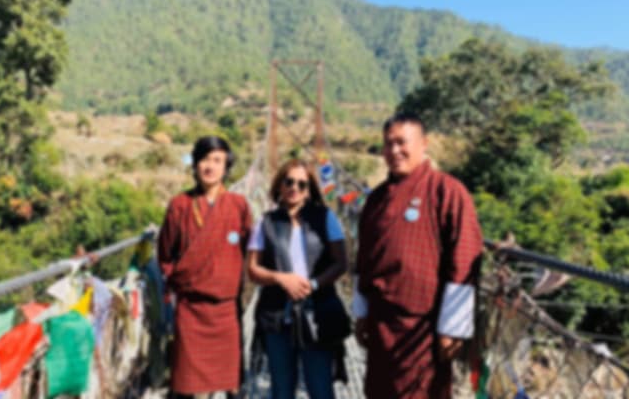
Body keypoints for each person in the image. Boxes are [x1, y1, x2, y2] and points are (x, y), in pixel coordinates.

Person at [353, 113, 484, 398]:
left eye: (402, 142)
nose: (394, 151)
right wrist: (361, 312)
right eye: (388, 144)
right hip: (381, 322)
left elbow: (464, 259)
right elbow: (363, 260)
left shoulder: (447, 191)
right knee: (378, 391)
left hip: (423, 328)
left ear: (424, 144)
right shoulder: (375, 199)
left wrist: (451, 328)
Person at [156, 136, 252, 398]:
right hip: (190, 310)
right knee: (189, 388)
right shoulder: (179, 205)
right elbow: (165, 253)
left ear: (226, 167)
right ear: (195, 164)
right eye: (204, 159)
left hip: (226, 310)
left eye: (217, 160)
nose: (210, 166)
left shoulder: (238, 205)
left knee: (232, 386)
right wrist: (176, 279)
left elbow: (250, 252)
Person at [247, 158, 349, 399]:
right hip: (276, 315)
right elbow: (252, 269)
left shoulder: (325, 218)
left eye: (302, 184)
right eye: (289, 181)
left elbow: (341, 262)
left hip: (317, 313)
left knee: (320, 389)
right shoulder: (266, 222)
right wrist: (280, 278)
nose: (295, 188)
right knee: (281, 390)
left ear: (309, 190)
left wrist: (312, 285)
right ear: (279, 185)